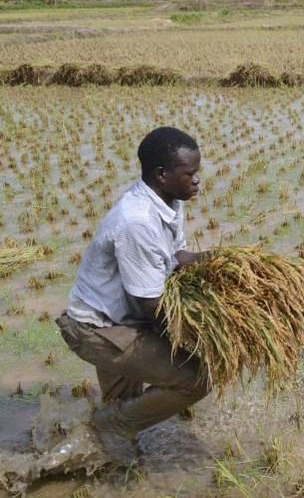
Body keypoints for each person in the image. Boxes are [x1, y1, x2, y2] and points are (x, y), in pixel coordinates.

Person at [55, 126, 211, 465]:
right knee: (196, 379)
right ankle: (106, 427)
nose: (197, 181)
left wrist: (216, 261)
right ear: (161, 174)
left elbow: (175, 257)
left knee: (122, 437)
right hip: (99, 329)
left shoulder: (168, 200)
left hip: (118, 318)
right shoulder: (137, 221)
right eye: (190, 174)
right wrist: (203, 336)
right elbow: (151, 305)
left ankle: (88, 463)